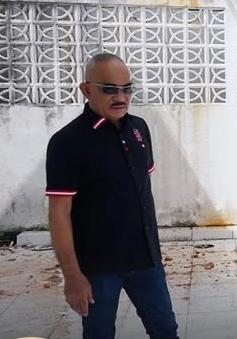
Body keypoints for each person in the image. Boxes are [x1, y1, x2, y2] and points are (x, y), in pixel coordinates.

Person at [45, 53, 178, 338]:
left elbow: (140, 192)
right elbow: (59, 214)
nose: (121, 97)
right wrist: (72, 276)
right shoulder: (67, 143)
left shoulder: (139, 128)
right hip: (98, 268)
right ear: (86, 89)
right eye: (109, 89)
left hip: (146, 262)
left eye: (127, 88)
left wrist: (155, 253)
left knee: (166, 331)